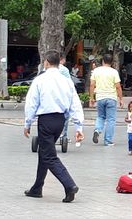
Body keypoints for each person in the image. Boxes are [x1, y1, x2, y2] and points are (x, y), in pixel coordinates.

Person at [23, 50, 84, 203]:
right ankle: (37, 188)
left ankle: (69, 185)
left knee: (49, 156)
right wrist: (79, 126)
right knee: (45, 152)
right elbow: (75, 104)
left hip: (46, 120)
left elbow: (32, 103)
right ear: (59, 62)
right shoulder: (66, 81)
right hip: (60, 120)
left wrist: (27, 123)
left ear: (46, 62)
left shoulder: (40, 80)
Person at [90, 54, 124, 146]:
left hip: (100, 97)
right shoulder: (114, 72)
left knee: (100, 117)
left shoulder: (96, 71)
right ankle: (108, 140)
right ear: (112, 62)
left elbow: (92, 85)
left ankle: (97, 130)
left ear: (102, 61)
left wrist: (91, 98)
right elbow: (118, 87)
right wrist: (121, 99)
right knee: (111, 120)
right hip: (111, 97)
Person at [58, 56, 71, 142]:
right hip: (62, 96)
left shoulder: (45, 69)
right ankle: (63, 136)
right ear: (62, 60)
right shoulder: (64, 70)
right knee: (65, 117)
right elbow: (69, 84)